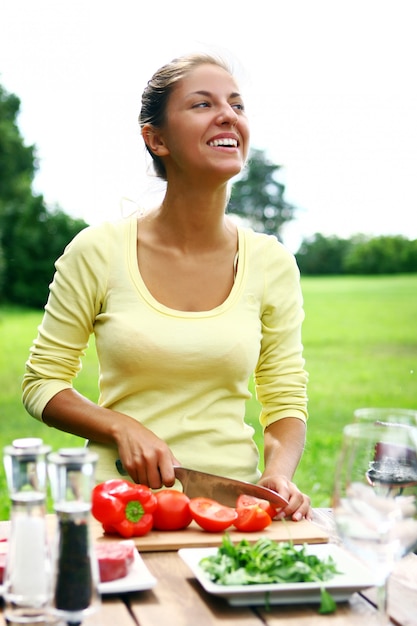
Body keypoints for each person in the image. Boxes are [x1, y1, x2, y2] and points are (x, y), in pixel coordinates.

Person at [22, 52, 311, 521]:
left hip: (232, 514)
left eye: (237, 105)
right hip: (119, 511)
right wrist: (120, 427)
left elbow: (284, 394)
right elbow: (42, 383)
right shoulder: (97, 251)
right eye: (202, 104)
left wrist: (279, 472)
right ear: (156, 139)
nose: (228, 115)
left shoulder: (271, 262)